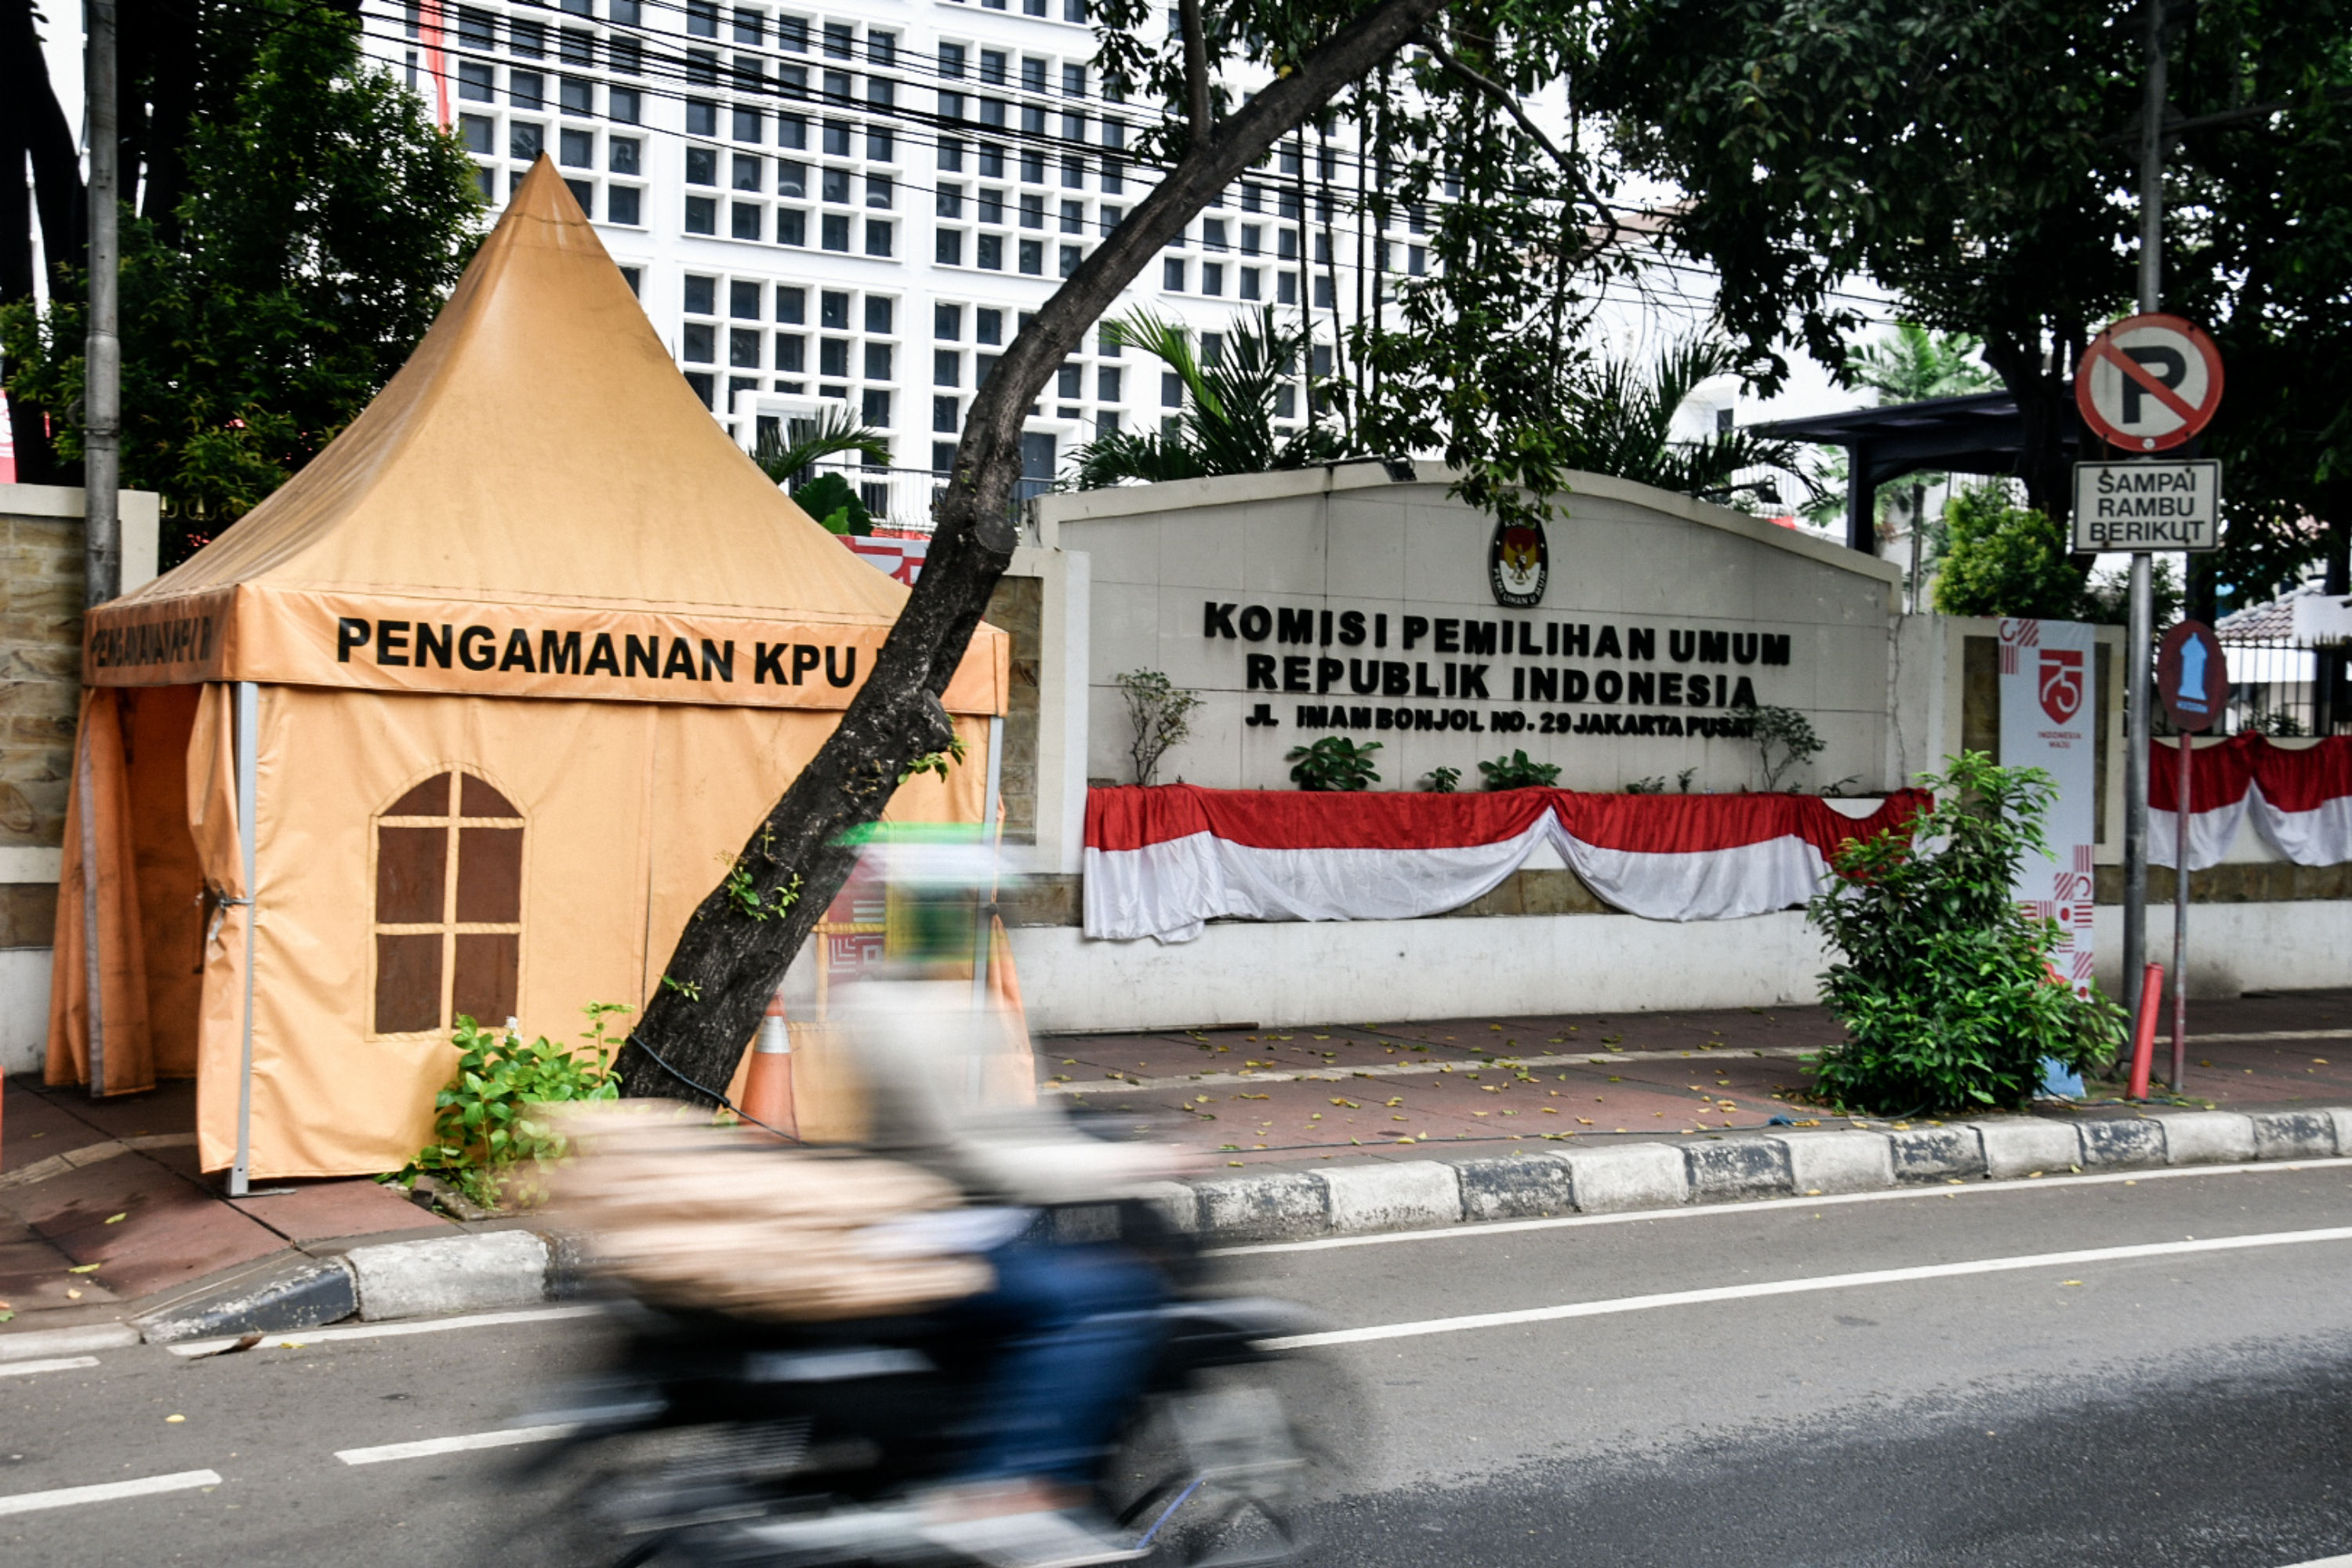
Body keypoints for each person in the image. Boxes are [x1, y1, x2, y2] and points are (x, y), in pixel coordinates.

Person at [833, 835, 1186, 1563]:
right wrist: (1114, 1166)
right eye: (964, 908)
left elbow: (1015, 1128)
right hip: (939, 1227)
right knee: (1108, 1295)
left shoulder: (886, 1000)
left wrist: (1091, 1150)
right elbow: (977, 1153)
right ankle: (1006, 1490)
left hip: (929, 1213)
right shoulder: (924, 1013)